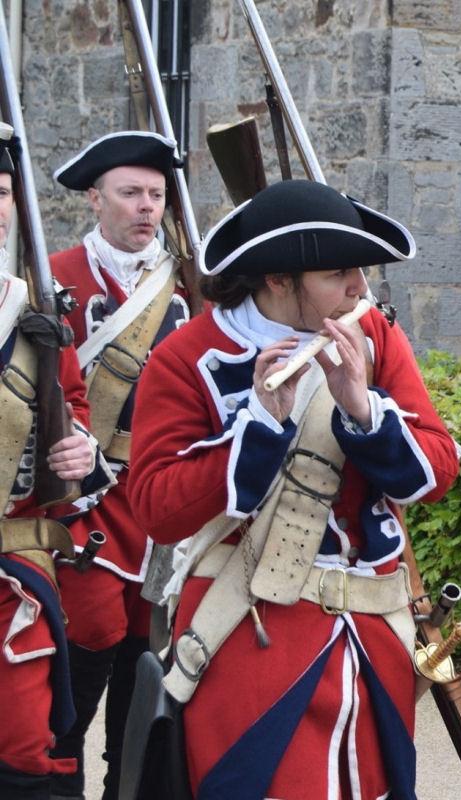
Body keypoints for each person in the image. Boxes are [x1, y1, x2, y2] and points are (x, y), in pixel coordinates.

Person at [126, 178, 460, 799]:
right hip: (250, 638)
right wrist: (260, 425)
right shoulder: (187, 356)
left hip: (373, 636)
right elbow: (157, 508)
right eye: (339, 273)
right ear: (277, 279)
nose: (360, 287)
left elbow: (436, 472)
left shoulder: (375, 338)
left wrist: (364, 411)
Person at [46, 130, 192, 800]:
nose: (146, 207)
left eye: (156, 195)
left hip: (165, 503)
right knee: (83, 653)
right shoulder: (51, 282)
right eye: (131, 192)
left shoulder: (190, 286)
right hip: (86, 501)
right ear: (95, 197)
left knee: (147, 667)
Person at [0, 146, 109, 798]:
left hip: (14, 573)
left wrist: (81, 454)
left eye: (4, 191)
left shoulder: (33, 313)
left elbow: (71, 413)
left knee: (24, 750)